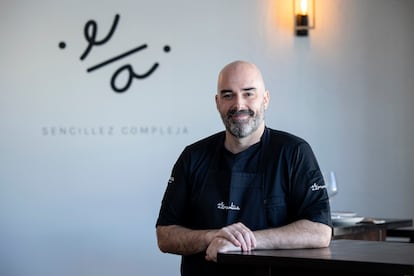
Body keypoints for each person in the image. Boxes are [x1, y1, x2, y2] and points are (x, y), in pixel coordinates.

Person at [156, 60, 332, 276]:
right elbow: (165, 235)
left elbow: (320, 231)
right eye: (228, 95)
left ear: (265, 99)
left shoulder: (294, 152)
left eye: (249, 93)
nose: (238, 105)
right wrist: (213, 237)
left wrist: (244, 242)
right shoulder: (193, 156)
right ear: (217, 102)